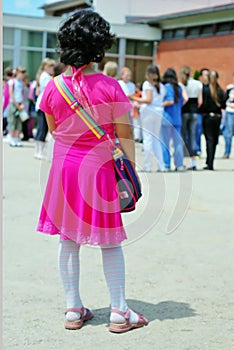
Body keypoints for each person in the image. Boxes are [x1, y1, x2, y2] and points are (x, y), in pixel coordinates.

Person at [36, 9, 148, 333]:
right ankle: (119, 311)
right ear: (100, 46)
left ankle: (73, 309)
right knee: (110, 241)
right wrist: (130, 173)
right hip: (99, 169)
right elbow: (125, 134)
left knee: (68, 240)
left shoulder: (53, 87)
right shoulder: (112, 86)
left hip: (64, 170)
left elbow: (55, 131)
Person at [129, 65, 166, 172]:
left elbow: (148, 100)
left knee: (147, 138)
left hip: (148, 112)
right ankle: (161, 165)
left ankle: (148, 165)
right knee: (156, 138)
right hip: (159, 111)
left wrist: (132, 97)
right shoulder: (161, 86)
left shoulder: (147, 85)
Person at [200, 70, 226, 170]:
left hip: (208, 117)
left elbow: (203, 104)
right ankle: (210, 161)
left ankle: (209, 163)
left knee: (209, 140)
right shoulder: (220, 91)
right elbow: (223, 105)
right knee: (214, 140)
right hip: (217, 117)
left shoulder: (205, 90)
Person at [161, 68, 186, 172]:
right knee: (177, 143)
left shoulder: (166, 87)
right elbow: (183, 100)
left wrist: (158, 104)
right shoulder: (179, 87)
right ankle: (179, 164)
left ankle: (166, 165)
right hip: (177, 118)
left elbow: (170, 100)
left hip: (167, 118)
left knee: (165, 143)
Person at [180, 66, 203, 170]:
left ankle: (181, 161)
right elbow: (200, 102)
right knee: (193, 136)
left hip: (184, 112)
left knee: (183, 136)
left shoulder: (182, 84)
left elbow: (183, 99)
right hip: (194, 112)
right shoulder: (198, 83)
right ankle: (194, 162)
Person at [34, 57, 55, 159]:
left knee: (41, 128)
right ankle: (39, 151)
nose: (52, 68)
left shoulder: (44, 75)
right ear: (46, 67)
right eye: (50, 66)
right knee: (42, 129)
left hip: (41, 104)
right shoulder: (46, 76)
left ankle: (38, 150)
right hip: (43, 105)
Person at [7, 66, 27, 147]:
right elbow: (11, 94)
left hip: (20, 104)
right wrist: (16, 105)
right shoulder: (12, 82)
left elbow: (23, 94)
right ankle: (12, 139)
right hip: (13, 104)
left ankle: (16, 138)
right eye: (21, 72)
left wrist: (22, 104)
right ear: (17, 73)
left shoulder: (22, 83)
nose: (22, 75)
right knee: (12, 122)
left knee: (19, 123)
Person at [197, 68, 210, 155]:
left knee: (207, 134)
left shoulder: (211, 87)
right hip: (199, 112)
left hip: (208, 113)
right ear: (201, 76)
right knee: (198, 132)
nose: (207, 77)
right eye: (205, 75)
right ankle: (198, 149)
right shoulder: (199, 86)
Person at [222, 72, 234, 158]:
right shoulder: (230, 88)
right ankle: (227, 152)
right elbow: (224, 100)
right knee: (228, 133)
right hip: (230, 112)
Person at [2, 67, 14, 135]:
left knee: (6, 118)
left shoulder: (8, 82)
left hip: (7, 103)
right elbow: (7, 95)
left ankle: (5, 130)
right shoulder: (10, 82)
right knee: (7, 118)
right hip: (8, 103)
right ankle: (5, 130)